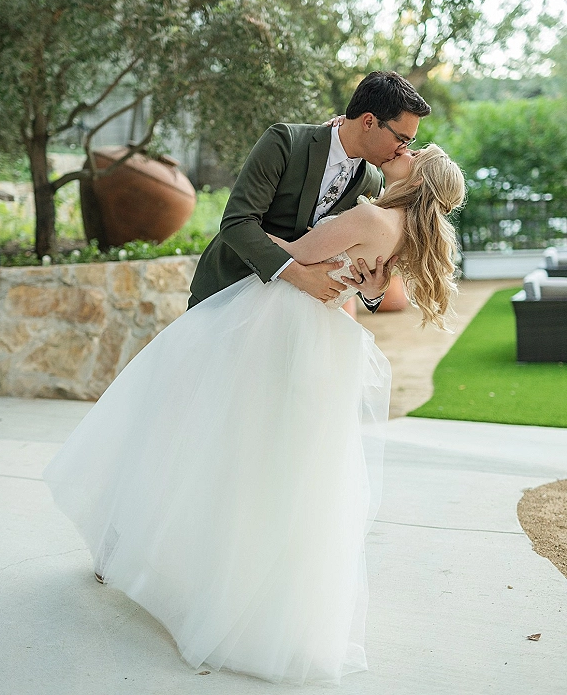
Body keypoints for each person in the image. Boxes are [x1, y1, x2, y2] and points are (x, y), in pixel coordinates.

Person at [44, 142, 465, 686]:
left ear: (419, 175)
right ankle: (262, 599)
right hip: (323, 343)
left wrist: (259, 234)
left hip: (275, 325)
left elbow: (296, 252)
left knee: (217, 442)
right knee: (285, 469)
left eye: (415, 152)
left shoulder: (369, 212)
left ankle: (195, 579)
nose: (402, 152)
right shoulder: (405, 231)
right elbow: (372, 290)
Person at [187, 70, 431, 314]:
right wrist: (299, 275)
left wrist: (372, 292)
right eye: (402, 139)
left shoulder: (373, 182)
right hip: (227, 292)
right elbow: (237, 223)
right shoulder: (285, 142)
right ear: (368, 122)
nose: (402, 150)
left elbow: (354, 261)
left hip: (290, 315)